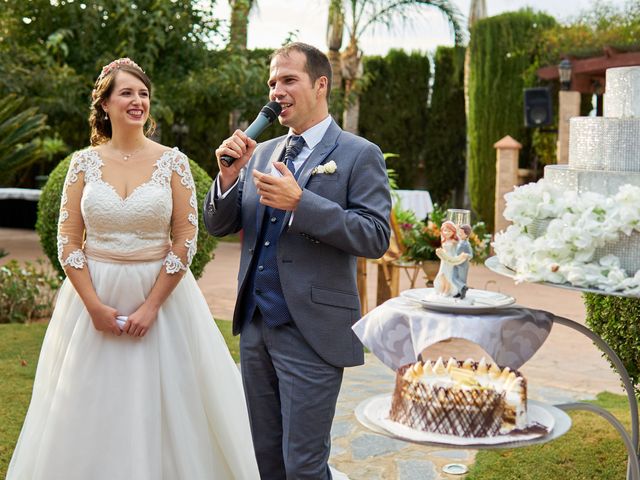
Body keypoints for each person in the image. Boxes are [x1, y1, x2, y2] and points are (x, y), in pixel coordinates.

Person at [6, 58, 259, 480]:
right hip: (92, 299)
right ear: (104, 103)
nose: (137, 101)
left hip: (162, 300)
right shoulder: (82, 165)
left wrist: (150, 308)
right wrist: (93, 307)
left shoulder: (174, 163)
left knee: (171, 404)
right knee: (86, 403)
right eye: (126, 93)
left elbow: (185, 239)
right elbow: (68, 242)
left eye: (143, 93)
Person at [203, 42, 391, 479]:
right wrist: (228, 178)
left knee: (303, 467)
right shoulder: (262, 153)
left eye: (289, 80)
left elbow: (375, 235)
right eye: (272, 82)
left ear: (320, 85)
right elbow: (218, 225)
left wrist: (301, 202)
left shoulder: (358, 153)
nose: (277, 91)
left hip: (312, 332)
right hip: (255, 328)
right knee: (265, 462)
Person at [434, 221, 469, 297]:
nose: (446, 233)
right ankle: (442, 288)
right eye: (445, 230)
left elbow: (460, 241)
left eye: (449, 231)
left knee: (448, 274)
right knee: (442, 274)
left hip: (450, 258)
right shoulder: (444, 240)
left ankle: (447, 289)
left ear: (453, 232)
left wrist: (457, 229)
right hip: (444, 259)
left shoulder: (454, 241)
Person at [452, 224, 473, 299]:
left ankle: (461, 293)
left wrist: (466, 255)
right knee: (453, 278)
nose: (460, 233)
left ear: (466, 234)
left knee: (462, 279)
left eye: (461, 232)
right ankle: (462, 288)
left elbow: (471, 255)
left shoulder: (467, 244)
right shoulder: (459, 242)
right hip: (456, 263)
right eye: (459, 232)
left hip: (463, 265)